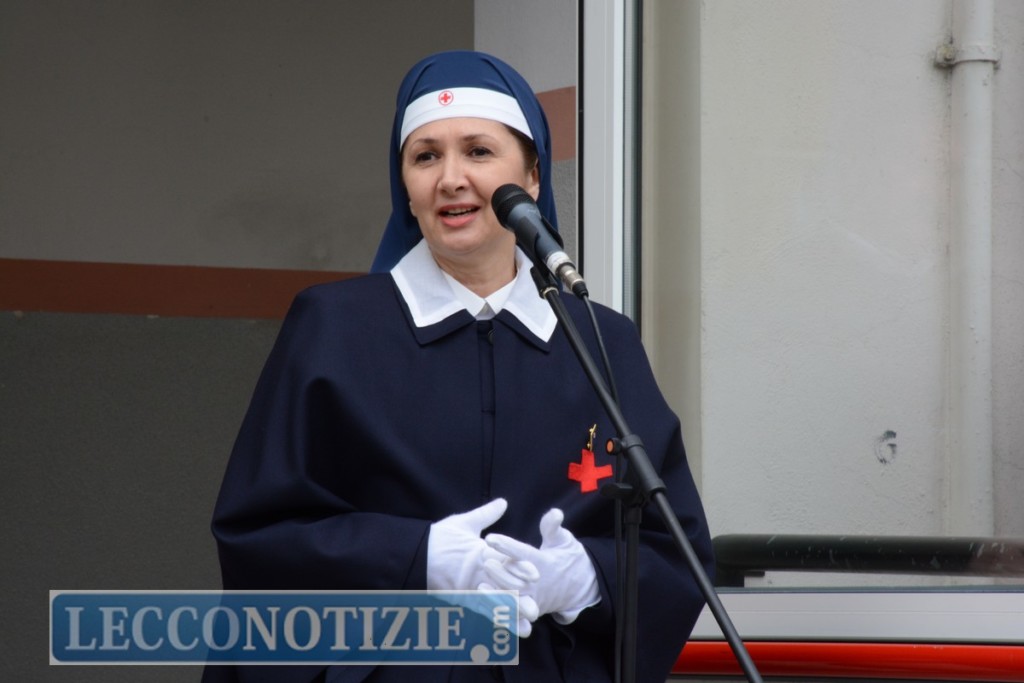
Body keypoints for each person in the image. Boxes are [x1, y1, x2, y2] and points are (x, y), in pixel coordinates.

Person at [205, 50, 714, 683]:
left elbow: (673, 548)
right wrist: (416, 558)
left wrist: (585, 577)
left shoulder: (600, 339)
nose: (451, 179)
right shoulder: (333, 327)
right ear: (405, 187)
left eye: (478, 151)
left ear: (532, 176)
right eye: (425, 156)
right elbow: (260, 535)